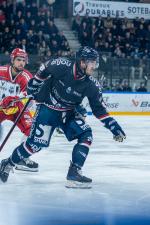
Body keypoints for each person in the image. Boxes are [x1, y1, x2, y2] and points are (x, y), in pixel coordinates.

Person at [0, 46, 126, 188]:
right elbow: (45, 67)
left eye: (95, 62)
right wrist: (35, 83)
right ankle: (8, 163)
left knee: (86, 134)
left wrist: (114, 127)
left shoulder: (92, 85)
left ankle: (74, 172)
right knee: (34, 145)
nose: (94, 66)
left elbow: (99, 110)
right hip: (47, 110)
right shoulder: (62, 65)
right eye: (92, 62)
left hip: (68, 113)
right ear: (82, 62)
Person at [0, 48, 38, 172]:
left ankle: (20, 158)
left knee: (32, 129)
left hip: (17, 109)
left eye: (23, 60)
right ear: (12, 60)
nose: (21, 63)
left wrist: (14, 100)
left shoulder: (27, 77)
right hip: (1, 108)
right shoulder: (1, 71)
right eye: (18, 60)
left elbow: (27, 99)